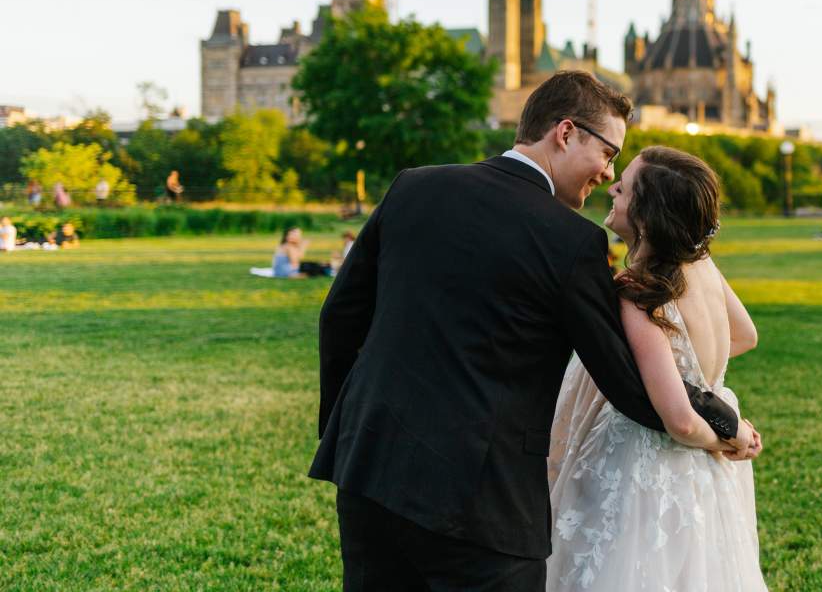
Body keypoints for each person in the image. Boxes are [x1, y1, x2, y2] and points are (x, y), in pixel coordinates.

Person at [308, 71, 754, 591]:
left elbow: (339, 318)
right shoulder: (571, 243)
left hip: (369, 475)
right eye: (608, 153)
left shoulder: (414, 187)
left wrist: (345, 433)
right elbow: (630, 385)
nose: (606, 173)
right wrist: (723, 420)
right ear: (566, 133)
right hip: (483, 506)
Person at [547, 147, 766, 591]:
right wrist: (691, 373)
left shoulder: (639, 289)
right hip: (702, 479)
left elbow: (681, 421)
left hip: (644, 464)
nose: (611, 188)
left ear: (646, 216)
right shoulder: (701, 263)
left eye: (623, 188)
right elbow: (744, 335)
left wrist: (724, 440)